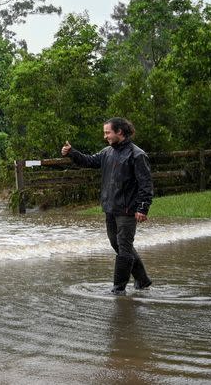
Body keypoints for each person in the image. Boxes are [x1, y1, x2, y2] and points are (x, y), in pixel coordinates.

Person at [61, 117, 153, 295]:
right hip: (110, 208)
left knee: (124, 248)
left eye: (107, 132)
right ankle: (142, 280)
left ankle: (118, 289)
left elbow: (146, 185)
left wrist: (142, 208)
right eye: (105, 133)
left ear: (119, 132)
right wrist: (72, 152)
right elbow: (88, 161)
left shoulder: (137, 155)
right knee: (117, 245)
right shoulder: (106, 152)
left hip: (128, 210)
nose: (105, 136)